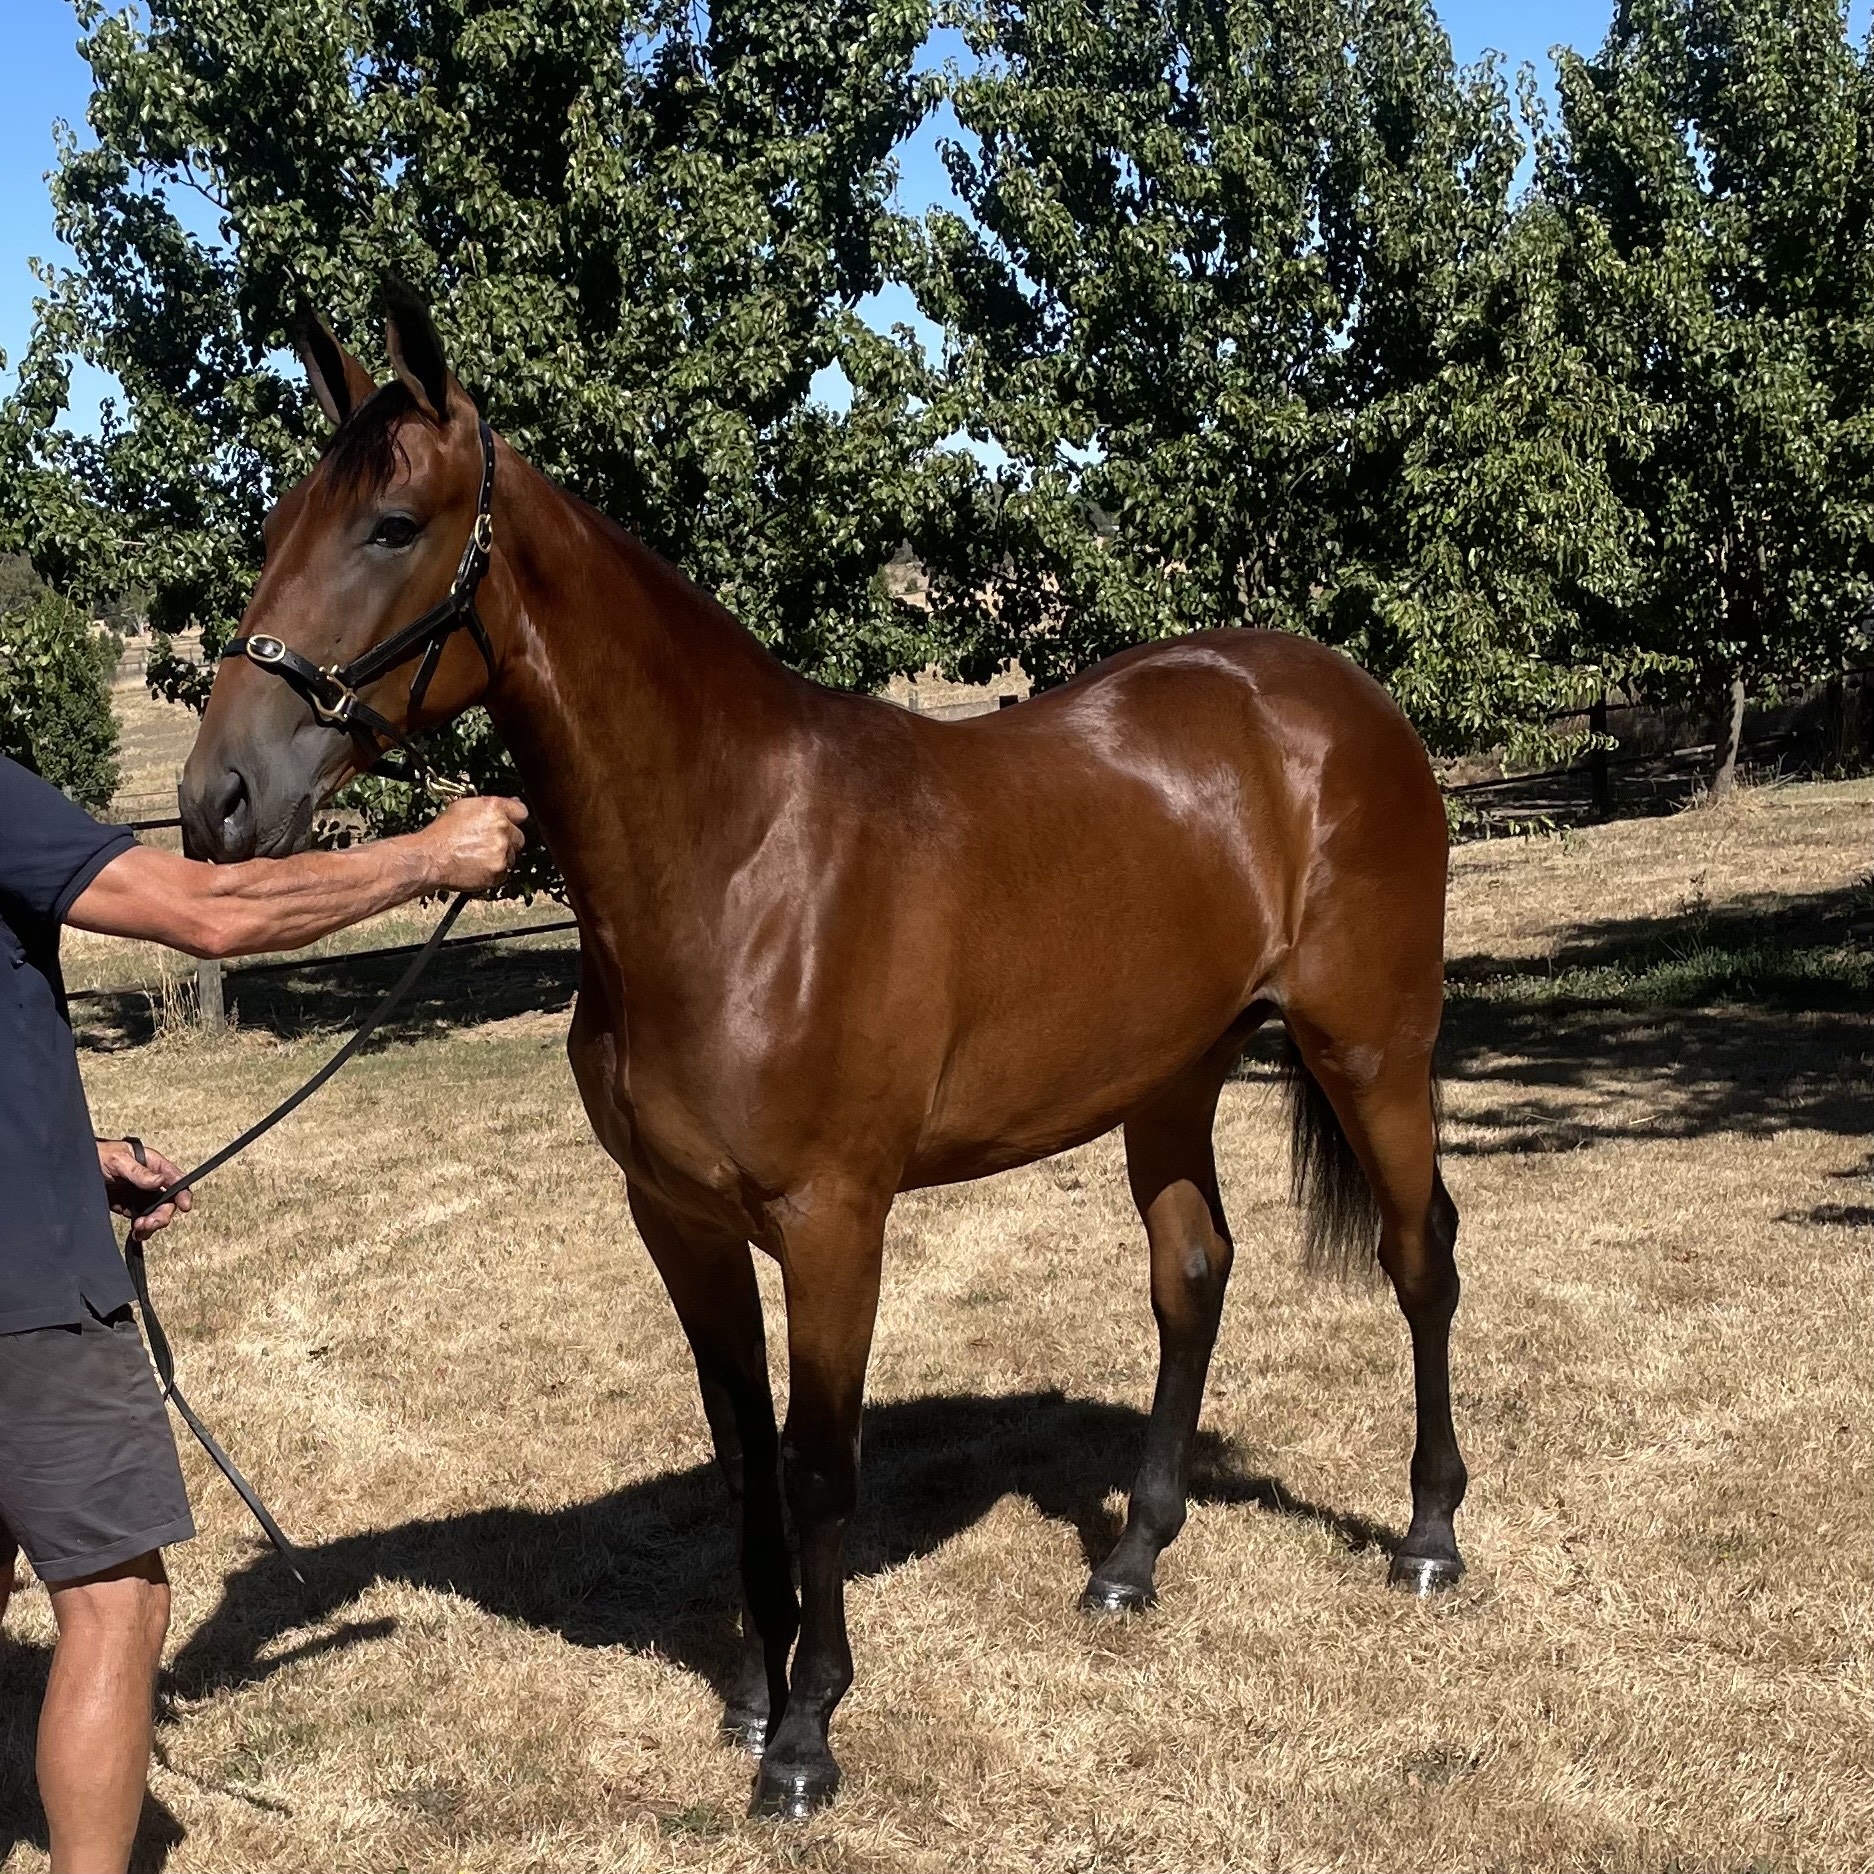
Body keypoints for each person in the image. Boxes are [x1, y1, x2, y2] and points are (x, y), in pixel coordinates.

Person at [0, 751, 525, 1874]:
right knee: (112, 1603)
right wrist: (430, 856)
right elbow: (208, 910)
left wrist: (72, 1149)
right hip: (22, 1281)